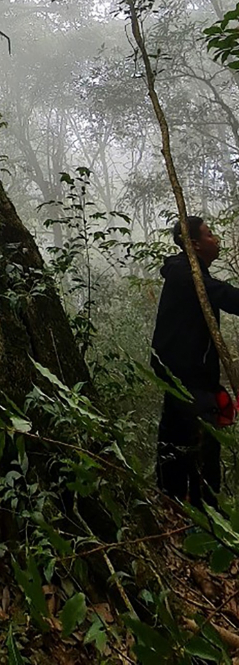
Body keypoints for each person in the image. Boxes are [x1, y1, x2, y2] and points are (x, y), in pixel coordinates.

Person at [151, 215, 239, 507]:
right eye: (210, 234)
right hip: (186, 377)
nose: (216, 240)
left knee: (176, 440)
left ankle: (174, 505)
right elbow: (224, 295)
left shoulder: (190, 274)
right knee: (202, 446)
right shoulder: (185, 274)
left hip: (186, 376)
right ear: (195, 245)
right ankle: (202, 518)